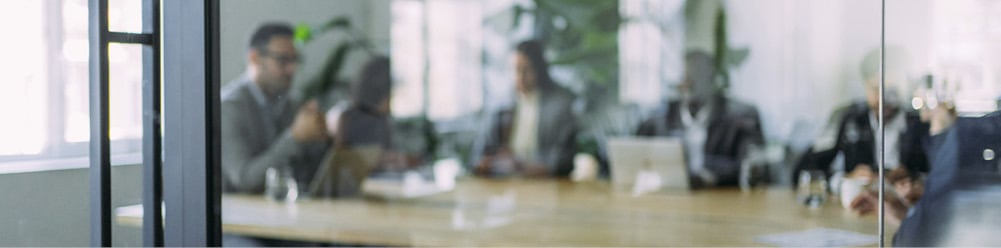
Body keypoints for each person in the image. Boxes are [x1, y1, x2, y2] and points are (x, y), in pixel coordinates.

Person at [221, 22, 330, 194]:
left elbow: (305, 176)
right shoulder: (228, 108)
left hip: (280, 212)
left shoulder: (292, 103)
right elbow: (244, 180)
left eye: (295, 60)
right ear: (254, 58)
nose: (292, 69)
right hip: (239, 215)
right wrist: (295, 137)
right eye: (283, 60)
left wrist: (323, 138)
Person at [794, 47, 930, 186]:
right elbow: (805, 171)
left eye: (891, 89)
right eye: (876, 88)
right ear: (865, 85)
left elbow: (946, 176)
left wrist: (914, 178)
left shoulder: (923, 120)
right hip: (858, 203)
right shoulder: (847, 118)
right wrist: (846, 179)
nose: (883, 98)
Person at [635, 50, 765, 187]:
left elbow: (751, 167)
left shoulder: (741, 118)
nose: (688, 83)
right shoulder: (658, 119)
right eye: (685, 77)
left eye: (696, 76)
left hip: (722, 199)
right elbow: (639, 162)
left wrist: (708, 175)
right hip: (671, 198)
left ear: (711, 80)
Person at [472, 40, 578, 178]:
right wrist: (487, 163)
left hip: (546, 187)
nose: (519, 77)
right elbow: (478, 156)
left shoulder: (559, 107)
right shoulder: (500, 107)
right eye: (515, 69)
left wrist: (521, 167)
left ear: (538, 70)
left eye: (526, 69)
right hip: (503, 188)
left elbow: (563, 162)